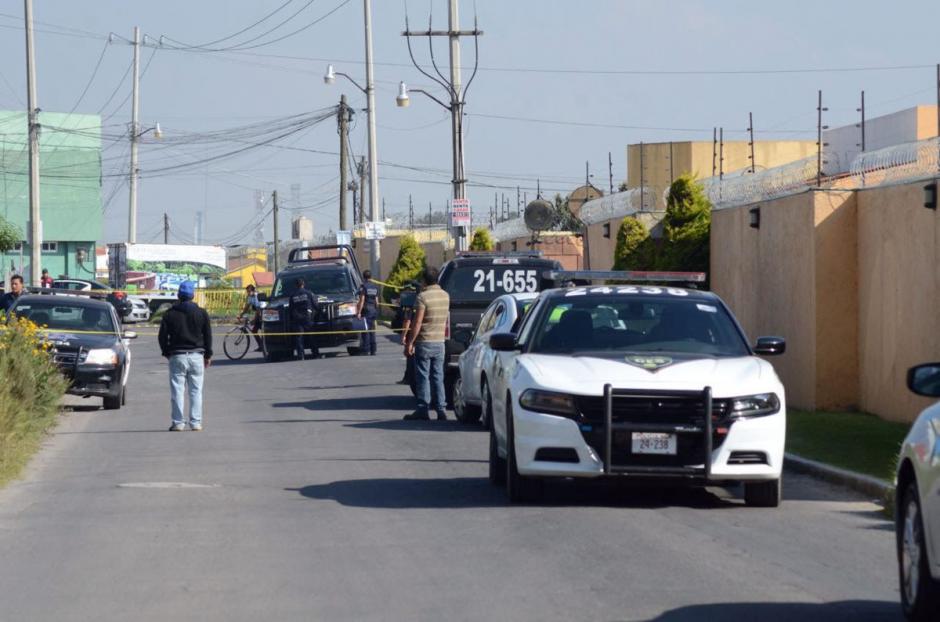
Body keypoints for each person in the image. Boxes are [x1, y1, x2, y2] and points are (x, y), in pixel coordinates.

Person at [158, 281, 212, 432]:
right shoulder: (201, 313)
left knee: (177, 391)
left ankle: (178, 423)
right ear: (193, 295)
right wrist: (208, 355)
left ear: (178, 296)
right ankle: (195, 423)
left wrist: (166, 352)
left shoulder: (169, 314)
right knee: (196, 391)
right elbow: (208, 336)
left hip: (177, 355)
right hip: (197, 355)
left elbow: (162, 336)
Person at [402, 267, 450, 421]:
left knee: (423, 376)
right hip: (440, 342)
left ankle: (423, 408)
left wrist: (410, 342)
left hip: (424, 342)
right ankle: (441, 409)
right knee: (438, 376)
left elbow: (417, 322)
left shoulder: (423, 297)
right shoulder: (445, 296)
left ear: (424, 281)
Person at [289, 277, 319, 361]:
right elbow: (315, 305)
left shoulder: (292, 295)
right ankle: (315, 354)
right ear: (303, 284)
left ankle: (301, 356)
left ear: (295, 285)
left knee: (299, 338)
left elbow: (290, 308)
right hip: (307, 318)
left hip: (297, 318)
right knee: (311, 336)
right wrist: (316, 313)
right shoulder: (309, 293)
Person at [356, 270, 380, 356]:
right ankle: (373, 350)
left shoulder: (364, 287)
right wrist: (376, 310)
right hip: (373, 310)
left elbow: (362, 300)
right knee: (372, 331)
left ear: (363, 277)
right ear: (371, 277)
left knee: (365, 330)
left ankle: (366, 350)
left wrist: (358, 312)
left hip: (366, 310)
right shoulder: (375, 287)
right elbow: (377, 302)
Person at [237, 284, 263, 351]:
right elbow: (247, 308)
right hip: (259, 314)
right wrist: (241, 315)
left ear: (253, 291)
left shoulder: (257, 296)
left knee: (263, 330)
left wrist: (254, 320)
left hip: (263, 313)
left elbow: (258, 310)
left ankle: (264, 345)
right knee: (254, 331)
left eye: (249, 291)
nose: (248, 293)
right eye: (247, 292)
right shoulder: (250, 297)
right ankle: (261, 346)